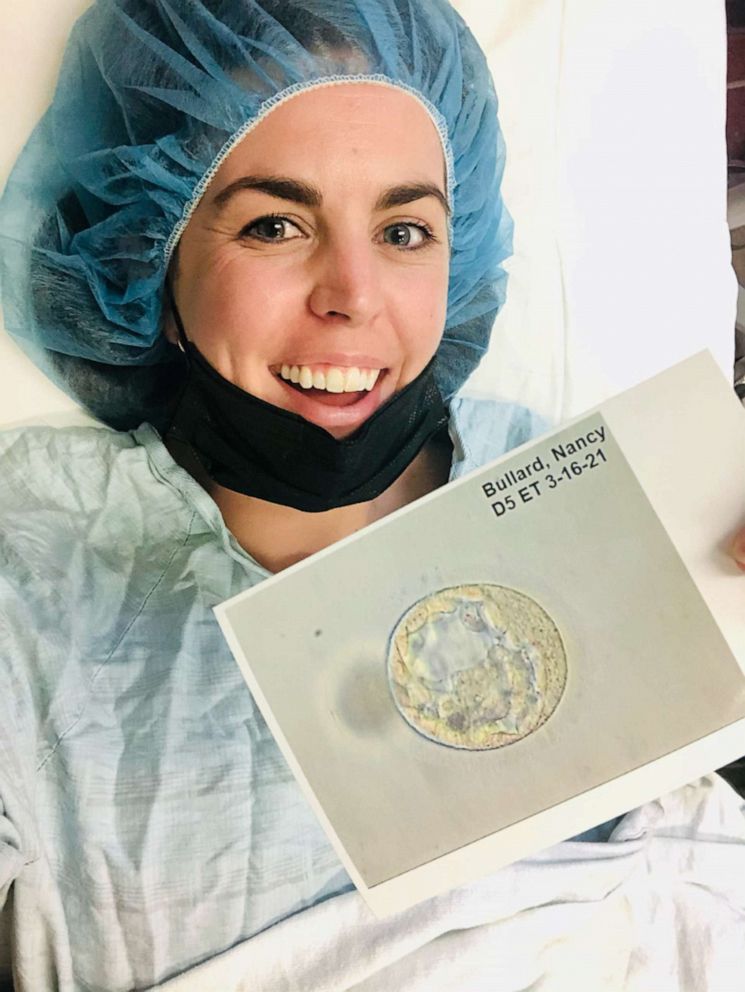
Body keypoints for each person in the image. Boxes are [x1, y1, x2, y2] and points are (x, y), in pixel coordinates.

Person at [0, 2, 743, 991]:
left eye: (403, 229)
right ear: (151, 258)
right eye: (274, 223)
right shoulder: (34, 563)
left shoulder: (623, 483)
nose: (352, 291)